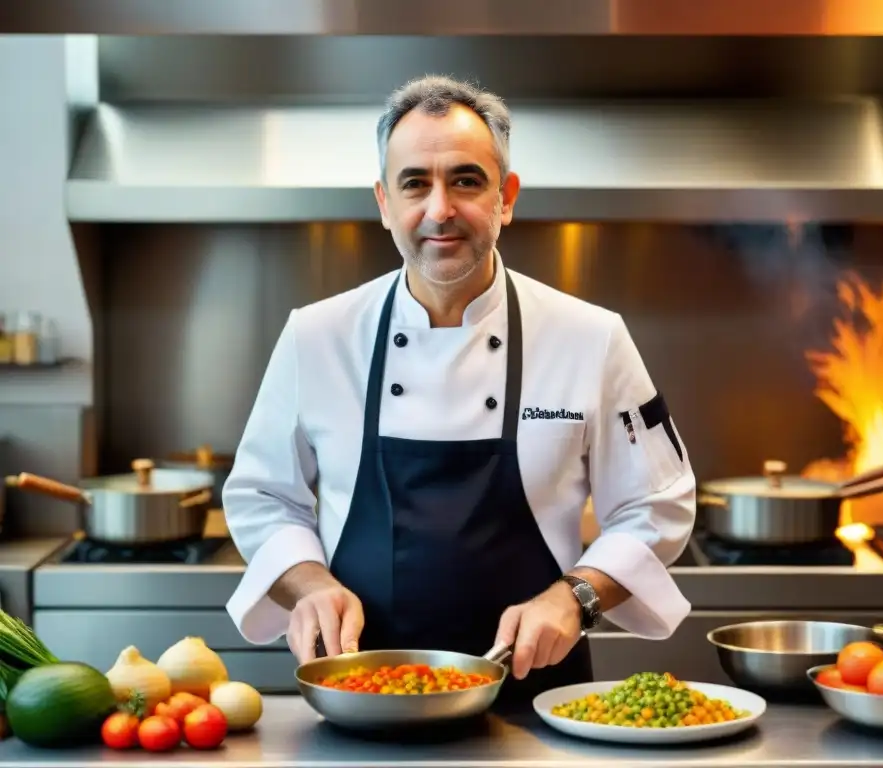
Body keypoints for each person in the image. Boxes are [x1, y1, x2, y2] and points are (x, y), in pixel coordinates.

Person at [223, 74, 697, 710]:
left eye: (467, 181)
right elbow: (261, 495)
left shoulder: (591, 337)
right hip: (361, 690)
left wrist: (575, 596)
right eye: (415, 182)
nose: (440, 209)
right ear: (384, 202)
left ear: (507, 198)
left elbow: (657, 503)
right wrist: (308, 586)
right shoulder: (317, 335)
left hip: (540, 698)